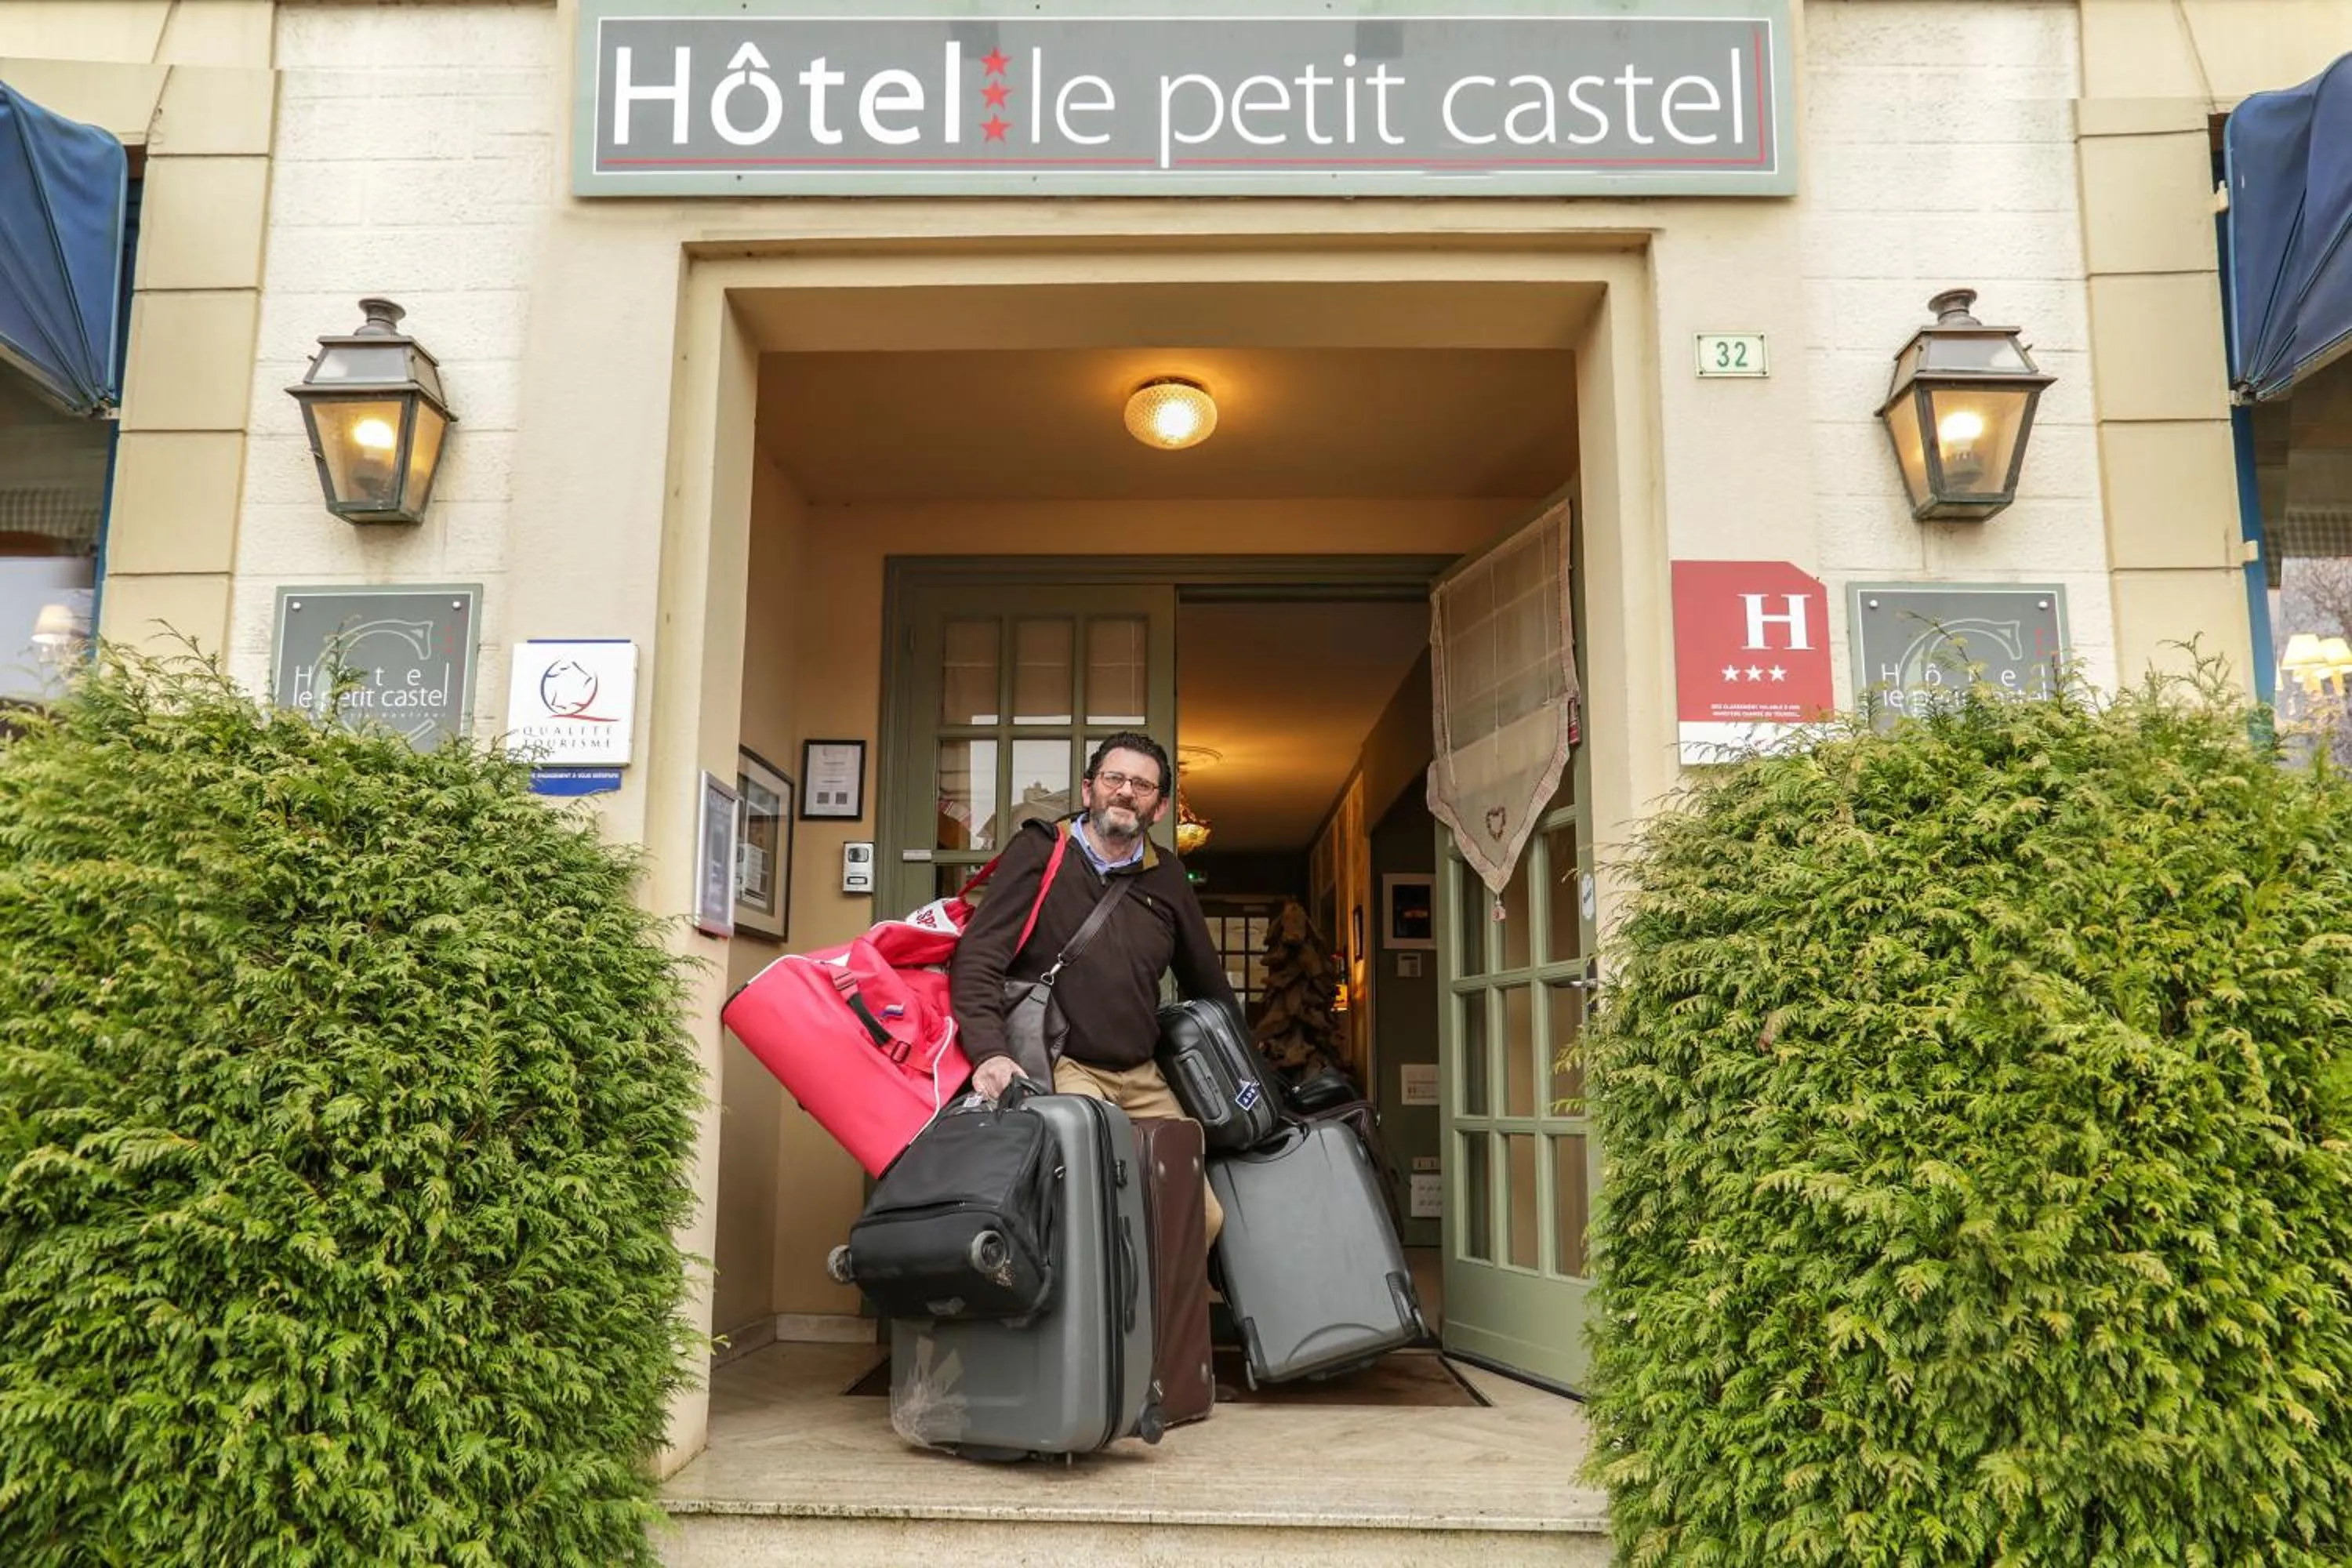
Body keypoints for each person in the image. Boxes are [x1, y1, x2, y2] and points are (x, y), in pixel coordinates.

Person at [951, 731, 1236, 1243]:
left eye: (1143, 785)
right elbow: (979, 955)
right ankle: (1103, 1324)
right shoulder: (1040, 851)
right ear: (1089, 791)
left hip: (1142, 1073)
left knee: (1201, 1218)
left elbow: (1206, 981)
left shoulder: (1167, 874)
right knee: (1101, 1215)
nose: (1127, 792)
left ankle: (1160, 1325)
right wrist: (989, 1053)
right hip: (1066, 1066)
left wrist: (1248, 1064)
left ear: (1162, 806)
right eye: (1115, 778)